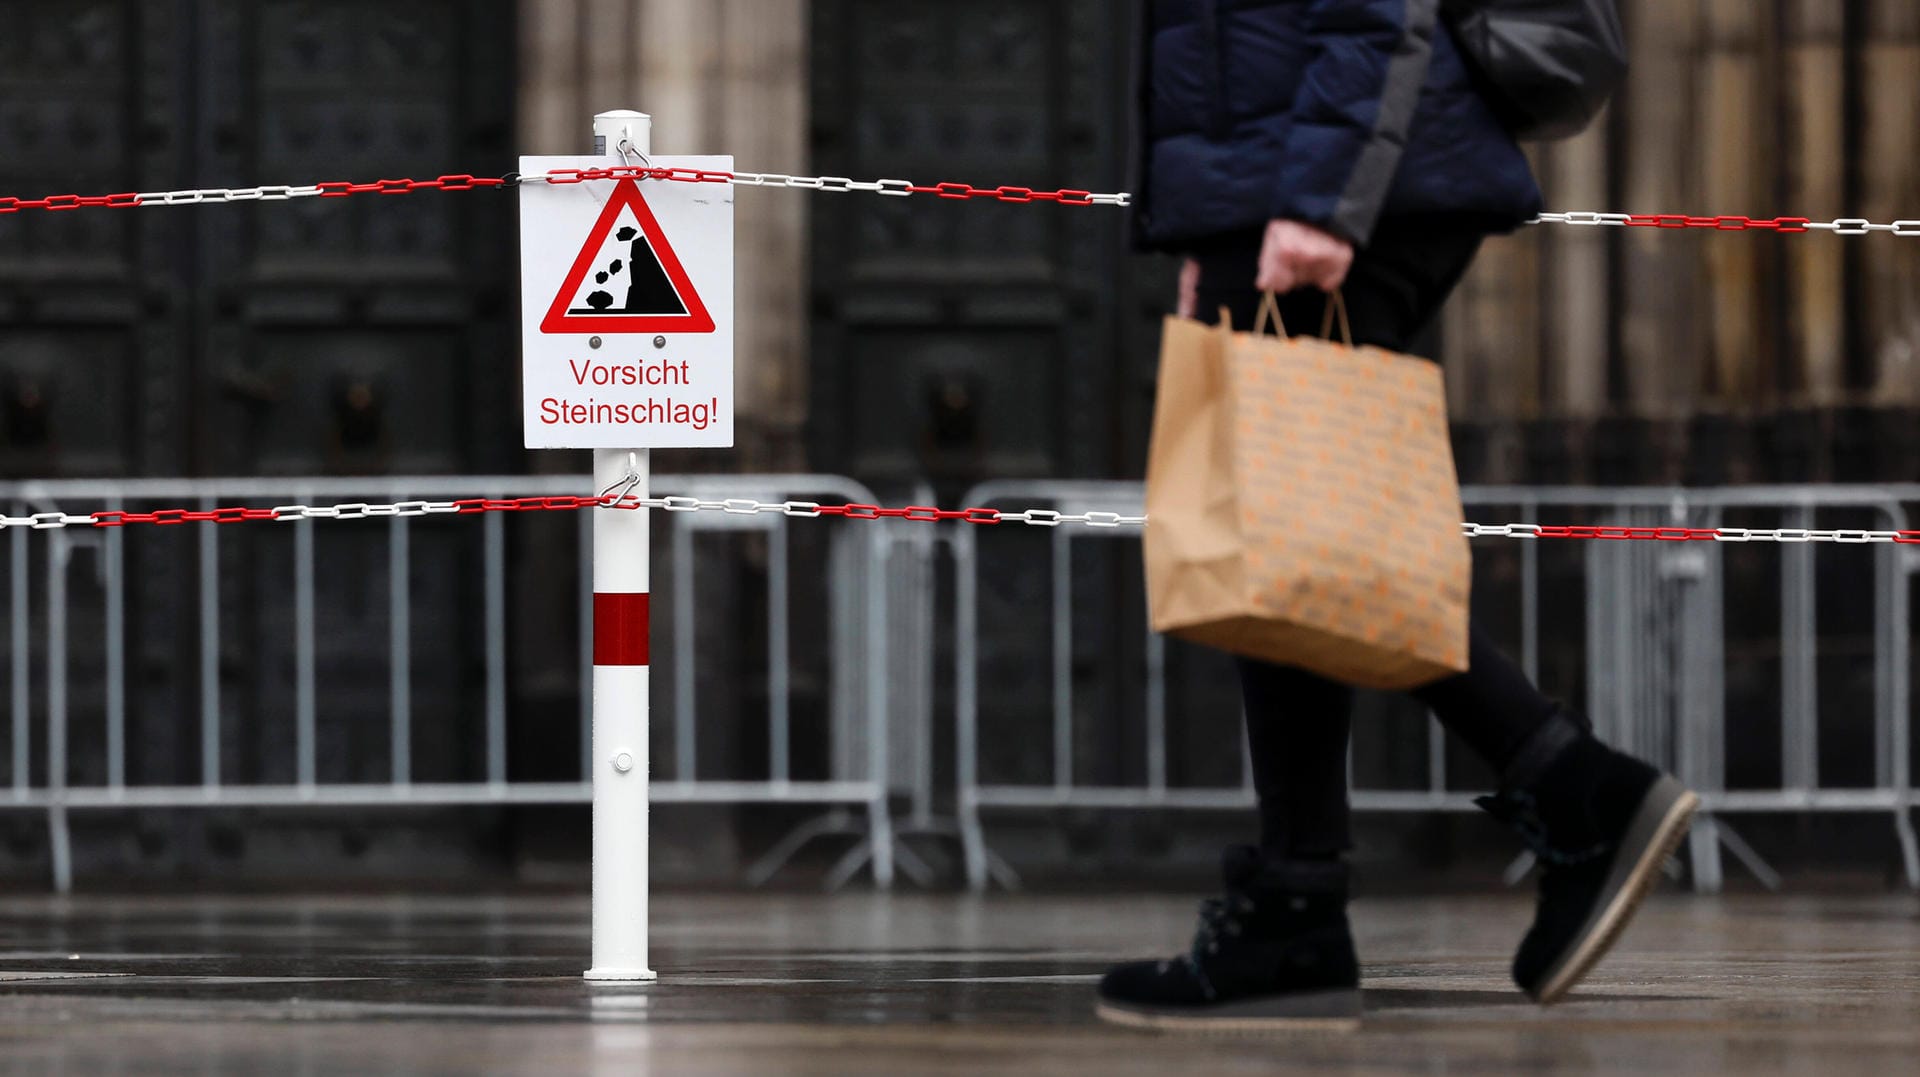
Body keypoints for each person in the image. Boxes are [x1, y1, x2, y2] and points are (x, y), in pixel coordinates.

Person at [1096, 0, 1698, 1033]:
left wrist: (1322, 197)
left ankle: (1571, 787)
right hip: (1295, 175)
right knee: (1288, 540)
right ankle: (1300, 903)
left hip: (1340, 174)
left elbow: (1372, 9)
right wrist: (1205, 215)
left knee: (1293, 537)